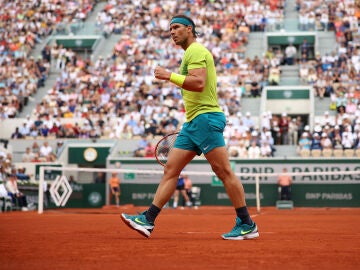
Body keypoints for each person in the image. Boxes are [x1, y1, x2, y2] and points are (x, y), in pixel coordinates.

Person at [121, 15, 259, 240]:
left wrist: (169, 76)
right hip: (193, 123)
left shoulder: (195, 51)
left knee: (223, 172)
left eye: (176, 27)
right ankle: (148, 219)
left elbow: (198, 83)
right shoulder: (188, 54)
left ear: (189, 29)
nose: (172, 32)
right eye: (170, 29)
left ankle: (246, 223)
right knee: (171, 169)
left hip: (205, 118)